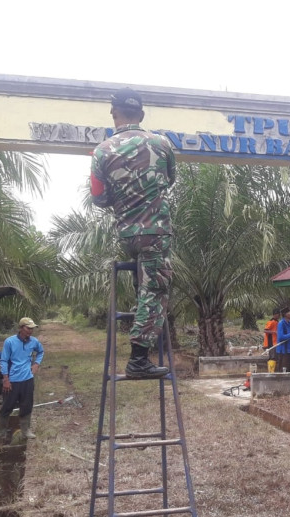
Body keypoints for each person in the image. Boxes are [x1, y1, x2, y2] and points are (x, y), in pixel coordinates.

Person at [90, 87, 176, 380]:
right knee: (155, 289)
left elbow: (98, 198)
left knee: (146, 281)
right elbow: (170, 179)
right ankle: (139, 359)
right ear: (140, 114)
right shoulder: (161, 144)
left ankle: (141, 295)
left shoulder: (101, 151)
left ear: (114, 114)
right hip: (156, 233)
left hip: (126, 236)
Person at [0, 317, 44, 442]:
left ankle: (26, 430)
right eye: (28, 328)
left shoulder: (34, 342)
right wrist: (6, 379)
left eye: (32, 328)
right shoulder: (10, 342)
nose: (30, 331)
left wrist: (36, 364)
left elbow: (41, 352)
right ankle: (0, 431)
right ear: (21, 328)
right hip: (12, 380)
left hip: (28, 379)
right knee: (7, 406)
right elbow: (3, 360)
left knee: (26, 405)